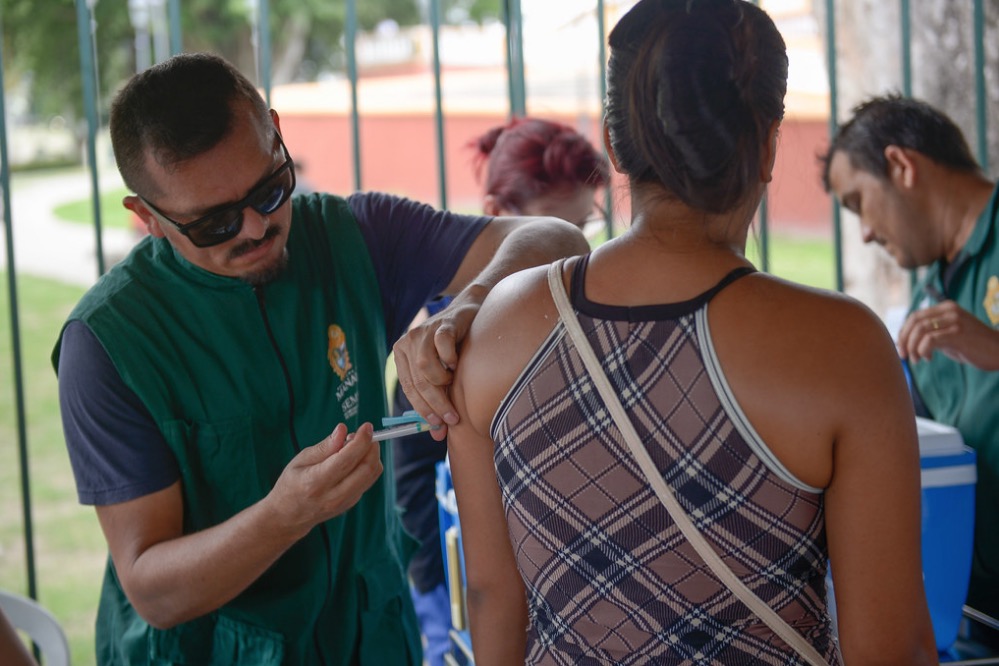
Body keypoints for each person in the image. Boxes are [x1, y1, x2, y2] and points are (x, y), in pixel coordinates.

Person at [52, 52, 588, 665]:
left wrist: (465, 306)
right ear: (148, 218)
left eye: (269, 189)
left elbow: (554, 240)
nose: (254, 228)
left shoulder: (352, 236)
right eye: (214, 224)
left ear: (276, 133)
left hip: (371, 638)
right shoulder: (107, 343)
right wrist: (284, 515)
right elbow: (152, 590)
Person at [445, 1, 938, 663]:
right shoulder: (842, 348)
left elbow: (489, 598)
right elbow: (891, 648)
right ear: (766, 144)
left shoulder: (499, 326)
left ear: (615, 147)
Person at [390, 116, 610, 666]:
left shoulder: (591, 331)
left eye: (584, 227)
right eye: (555, 231)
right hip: (457, 587)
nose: (572, 261)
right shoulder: (437, 355)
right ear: (496, 217)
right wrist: (439, 593)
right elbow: (415, 488)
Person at [823, 94, 999, 622]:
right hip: (974, 611)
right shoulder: (926, 299)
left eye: (857, 203)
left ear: (900, 166)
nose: (867, 233)